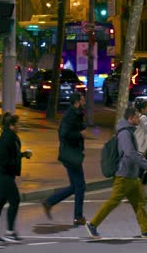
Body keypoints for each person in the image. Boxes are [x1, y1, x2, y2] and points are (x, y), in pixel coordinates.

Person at [85, 107, 147, 239]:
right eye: (137, 117)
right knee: (113, 202)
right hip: (124, 175)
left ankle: (146, 230)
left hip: (131, 175)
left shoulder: (128, 131)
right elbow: (130, 153)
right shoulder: (125, 133)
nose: (139, 119)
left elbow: (132, 153)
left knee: (140, 202)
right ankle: (93, 224)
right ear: (130, 118)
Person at [0, 112, 33, 243]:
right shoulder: (7, 138)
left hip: (3, 173)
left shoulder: (9, 136)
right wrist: (18, 158)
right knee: (15, 200)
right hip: (2, 174)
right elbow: (2, 159)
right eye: (18, 124)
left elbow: (10, 156)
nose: (19, 126)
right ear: (11, 125)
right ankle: (9, 232)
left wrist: (22, 155)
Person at [42, 92, 87, 226]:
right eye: (83, 100)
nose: (85, 102)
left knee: (76, 185)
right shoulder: (70, 115)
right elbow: (63, 134)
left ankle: (50, 202)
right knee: (80, 185)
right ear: (77, 102)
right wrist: (79, 134)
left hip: (73, 153)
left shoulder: (76, 114)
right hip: (70, 154)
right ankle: (77, 217)